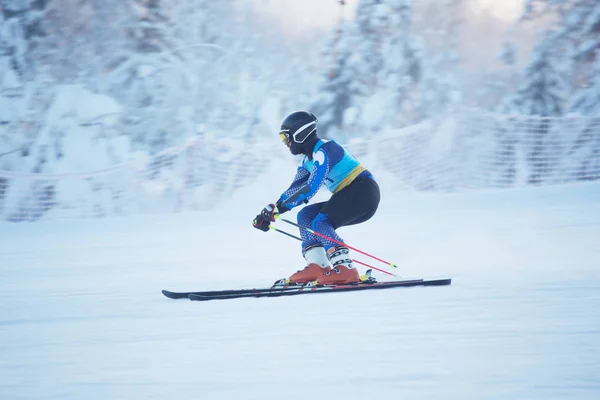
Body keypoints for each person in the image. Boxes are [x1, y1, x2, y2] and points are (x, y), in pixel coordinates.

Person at [252, 111, 381, 285]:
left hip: (364, 191)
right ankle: (318, 265)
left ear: (299, 134)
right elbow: (296, 188)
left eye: (285, 138)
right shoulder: (307, 161)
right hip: (351, 194)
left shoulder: (325, 150)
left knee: (320, 222)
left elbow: (310, 187)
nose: (285, 143)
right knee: (306, 216)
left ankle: (346, 268)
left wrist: (279, 208)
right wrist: (272, 210)